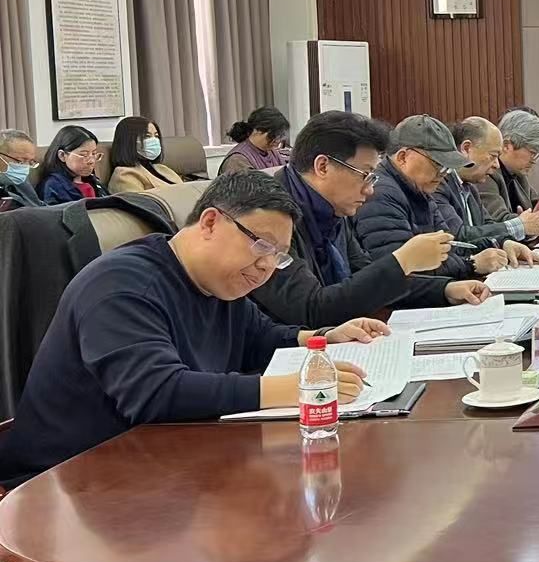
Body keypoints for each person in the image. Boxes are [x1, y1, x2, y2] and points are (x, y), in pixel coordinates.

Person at [0, 172, 387, 487]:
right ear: (210, 222)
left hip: (158, 463)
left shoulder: (216, 282)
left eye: (279, 256)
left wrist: (320, 339)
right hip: (66, 483)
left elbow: (258, 338)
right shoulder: (121, 285)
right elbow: (155, 393)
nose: (267, 266)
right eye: (262, 245)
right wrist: (301, 389)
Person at [249, 111, 491, 328]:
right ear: (323, 166)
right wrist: (403, 261)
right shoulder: (268, 215)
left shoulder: (333, 208)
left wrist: (444, 289)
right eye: (365, 175)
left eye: (372, 177)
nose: (370, 189)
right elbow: (311, 309)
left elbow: (365, 278)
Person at [355, 115, 508, 281]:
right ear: (403, 157)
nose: (443, 174)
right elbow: (402, 270)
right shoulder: (381, 194)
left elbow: (451, 246)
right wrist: (471, 264)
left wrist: (501, 244)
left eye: (447, 168)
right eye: (438, 164)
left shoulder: (421, 191)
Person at [434, 117, 539, 267]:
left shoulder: (469, 187)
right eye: (493, 156)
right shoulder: (438, 184)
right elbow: (458, 236)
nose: (496, 164)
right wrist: (520, 225)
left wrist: (505, 243)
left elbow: (487, 225)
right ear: (466, 149)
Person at [476, 108, 539, 226]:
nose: (534, 161)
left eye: (538, 155)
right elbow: (499, 221)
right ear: (506, 146)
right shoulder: (486, 174)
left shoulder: (517, 173)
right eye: (532, 153)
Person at [106, 115, 185, 193]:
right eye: (147, 136)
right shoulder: (124, 175)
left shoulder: (161, 168)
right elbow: (138, 201)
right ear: (129, 141)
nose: (154, 140)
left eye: (156, 136)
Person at [34, 125, 108, 204]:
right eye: (84, 155)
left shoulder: (93, 181)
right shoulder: (52, 186)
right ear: (62, 155)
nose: (91, 161)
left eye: (94, 154)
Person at [219, 106, 290, 175]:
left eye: (280, 136)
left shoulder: (272, 152)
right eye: (273, 135)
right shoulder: (237, 160)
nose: (277, 141)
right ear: (257, 130)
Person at [0, 129, 42, 208]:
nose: (26, 166)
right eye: (21, 160)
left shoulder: (20, 180)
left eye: (31, 162)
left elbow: (38, 206)